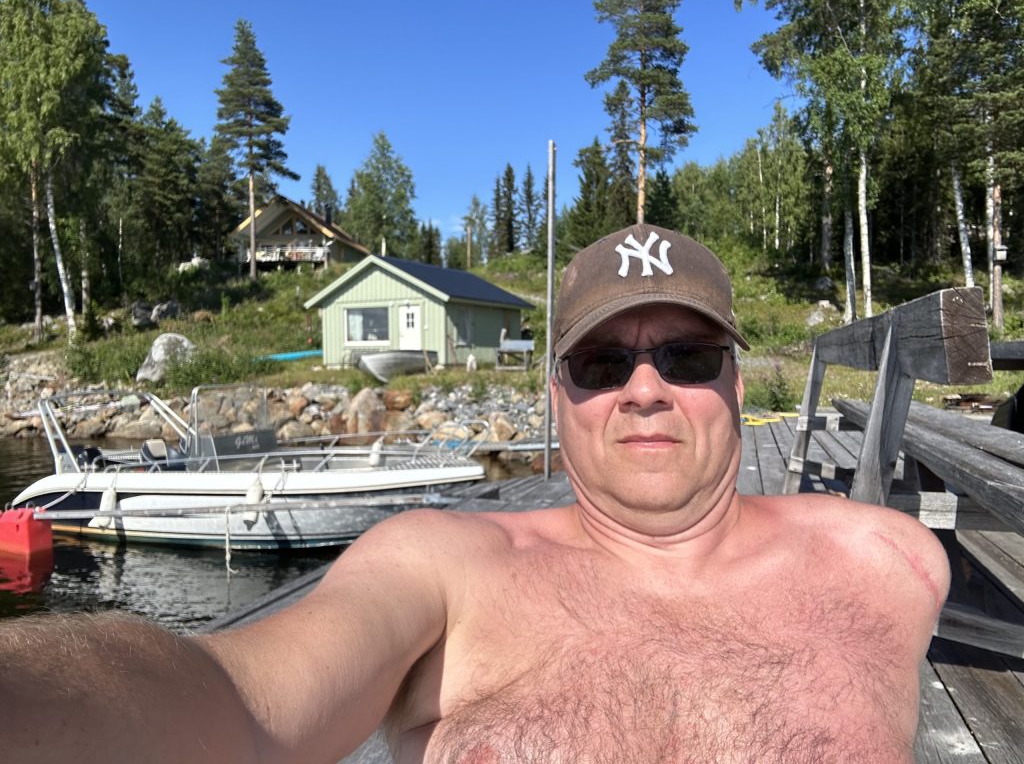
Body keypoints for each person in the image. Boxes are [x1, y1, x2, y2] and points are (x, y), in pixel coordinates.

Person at [1, 224, 949, 763]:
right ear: (558, 399)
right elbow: (238, 699)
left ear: (736, 385)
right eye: (601, 362)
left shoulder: (892, 565)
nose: (644, 389)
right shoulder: (442, 569)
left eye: (688, 356)